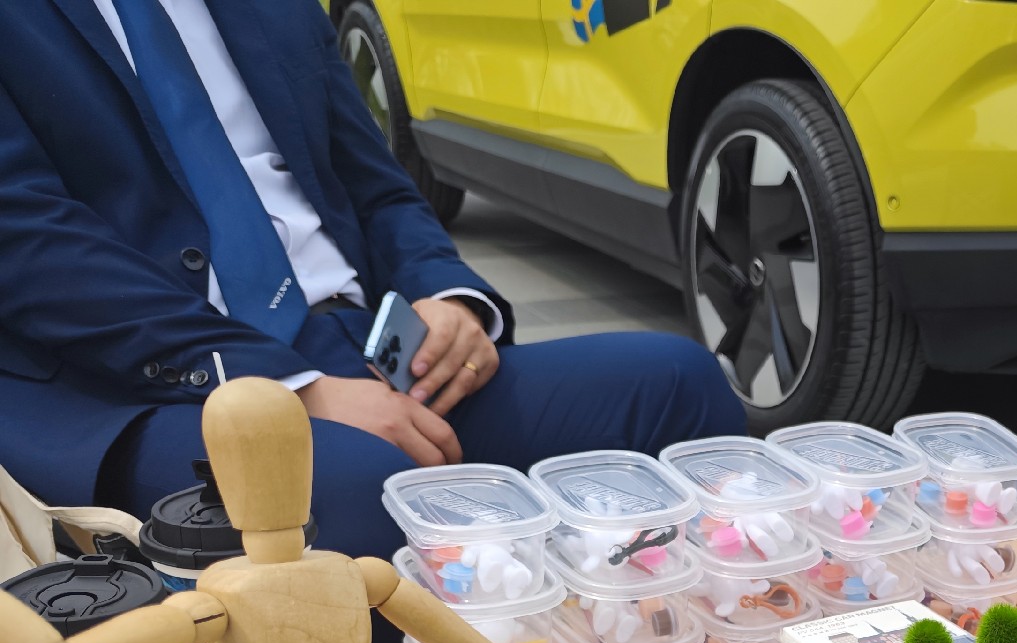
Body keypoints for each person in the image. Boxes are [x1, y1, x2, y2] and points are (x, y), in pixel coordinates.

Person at [0, 0, 745, 569]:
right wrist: (289, 388)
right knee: (366, 490)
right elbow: (29, 243)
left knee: (677, 384)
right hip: (149, 383)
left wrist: (447, 295)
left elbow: (374, 180)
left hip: (363, 344)